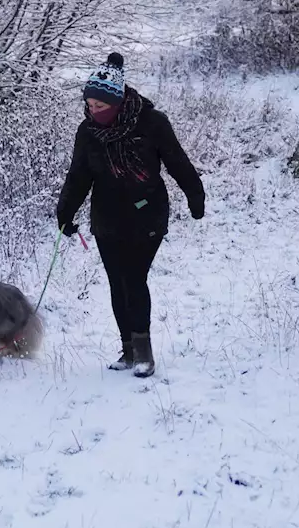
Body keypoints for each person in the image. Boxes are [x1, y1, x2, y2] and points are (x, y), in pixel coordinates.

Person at [55, 51, 205, 377]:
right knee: (116, 284)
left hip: (146, 212)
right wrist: (65, 212)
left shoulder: (151, 123)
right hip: (107, 217)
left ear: (118, 100)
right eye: (89, 106)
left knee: (134, 280)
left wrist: (195, 195)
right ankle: (127, 349)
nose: (93, 112)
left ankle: (144, 354)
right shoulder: (88, 132)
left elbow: (178, 162)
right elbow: (79, 176)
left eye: (100, 106)